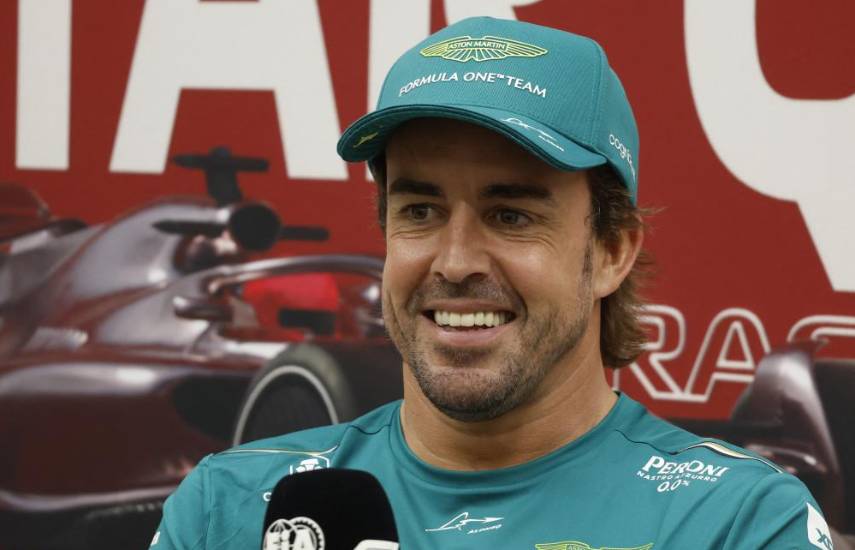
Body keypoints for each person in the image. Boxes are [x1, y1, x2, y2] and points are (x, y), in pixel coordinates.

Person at [151, 16, 833, 549]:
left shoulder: (735, 522)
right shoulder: (230, 507)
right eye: (419, 211)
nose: (454, 262)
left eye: (510, 215)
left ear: (611, 251)